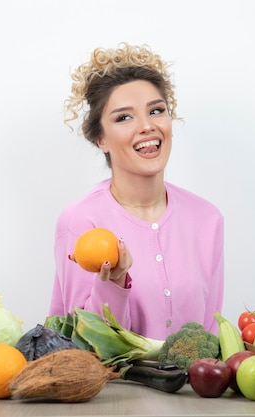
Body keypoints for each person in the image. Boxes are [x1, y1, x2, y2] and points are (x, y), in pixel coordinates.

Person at [48, 43, 224, 340]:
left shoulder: (207, 218)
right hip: (116, 387)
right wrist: (113, 283)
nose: (147, 126)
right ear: (100, 139)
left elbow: (211, 331)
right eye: (124, 117)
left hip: (194, 387)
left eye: (156, 111)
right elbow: (80, 345)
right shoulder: (81, 222)